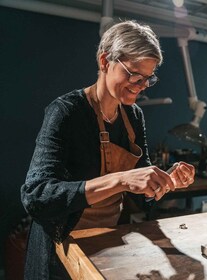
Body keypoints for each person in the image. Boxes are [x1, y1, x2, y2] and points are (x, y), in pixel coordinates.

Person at [21, 20, 195, 279]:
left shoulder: (134, 115)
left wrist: (165, 180)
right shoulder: (66, 112)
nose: (141, 85)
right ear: (105, 61)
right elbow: (36, 197)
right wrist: (120, 179)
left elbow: (139, 192)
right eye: (134, 74)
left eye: (148, 78)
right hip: (63, 248)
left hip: (110, 243)